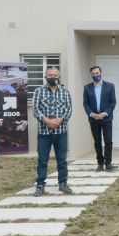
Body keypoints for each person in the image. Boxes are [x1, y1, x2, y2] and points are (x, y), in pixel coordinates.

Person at [32, 66, 73, 196]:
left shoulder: (65, 92)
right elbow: (35, 109)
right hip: (44, 133)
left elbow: (69, 109)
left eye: (55, 75)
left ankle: (63, 183)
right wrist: (47, 121)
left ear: (59, 77)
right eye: (50, 75)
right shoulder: (38, 91)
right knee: (43, 160)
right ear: (45, 77)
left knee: (62, 160)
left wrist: (60, 120)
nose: (52, 77)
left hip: (61, 132)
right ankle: (40, 185)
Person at [83, 65, 117, 172]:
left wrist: (105, 113)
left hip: (106, 118)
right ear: (91, 75)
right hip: (94, 119)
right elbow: (85, 103)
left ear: (101, 73)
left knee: (108, 141)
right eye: (93, 74)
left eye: (97, 73)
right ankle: (100, 164)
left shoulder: (110, 86)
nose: (95, 75)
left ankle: (108, 164)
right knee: (97, 142)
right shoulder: (87, 88)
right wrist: (92, 114)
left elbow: (113, 102)